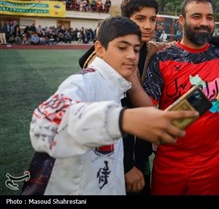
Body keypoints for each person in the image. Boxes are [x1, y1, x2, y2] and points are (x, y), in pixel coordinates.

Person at [78, 0, 219, 195]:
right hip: (115, 158)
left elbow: (186, 44)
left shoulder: (149, 47)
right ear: (124, 21)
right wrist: (126, 166)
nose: (148, 26)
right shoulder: (107, 58)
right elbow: (107, 116)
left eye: (152, 19)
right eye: (140, 19)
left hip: (141, 152)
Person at [23, 16, 198, 195]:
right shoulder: (84, 82)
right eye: (122, 47)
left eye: (136, 50)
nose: (131, 56)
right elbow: (44, 125)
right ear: (99, 49)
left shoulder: (117, 86)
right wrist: (124, 120)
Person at [142, 0, 219, 195]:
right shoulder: (162, 58)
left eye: (209, 17)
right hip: (169, 164)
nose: (204, 23)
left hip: (212, 164)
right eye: (196, 16)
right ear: (182, 21)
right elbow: (147, 109)